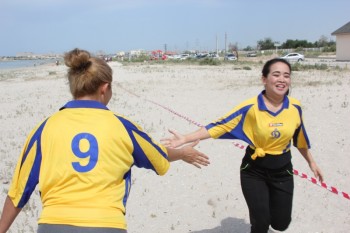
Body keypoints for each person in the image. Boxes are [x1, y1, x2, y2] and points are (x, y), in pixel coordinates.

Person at [0, 48, 209, 233]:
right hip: (106, 224)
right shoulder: (123, 127)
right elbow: (158, 157)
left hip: (52, 224)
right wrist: (182, 153)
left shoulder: (45, 128)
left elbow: (18, 192)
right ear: (104, 88)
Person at [161, 58, 324, 233]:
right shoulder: (250, 107)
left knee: (281, 224)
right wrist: (185, 138)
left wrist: (311, 163)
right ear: (264, 79)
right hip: (254, 170)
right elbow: (219, 125)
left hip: (283, 169)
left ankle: (262, 213)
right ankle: (259, 216)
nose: (282, 79)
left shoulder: (295, 107)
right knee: (261, 223)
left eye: (286, 75)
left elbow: (299, 139)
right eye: (276, 75)